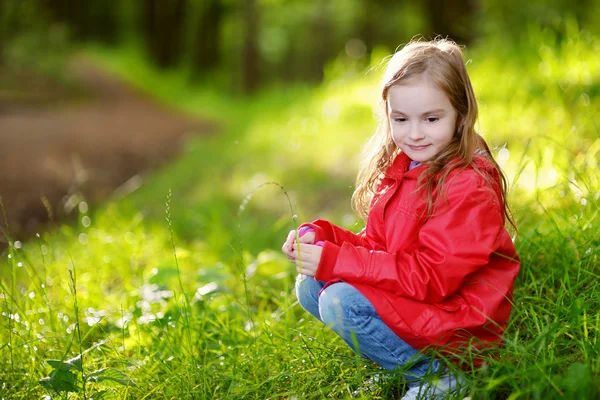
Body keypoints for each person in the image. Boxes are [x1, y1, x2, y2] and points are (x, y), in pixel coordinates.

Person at [281, 38, 520, 399]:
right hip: (423, 299)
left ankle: (441, 377)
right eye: (401, 119)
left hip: (461, 317)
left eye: (431, 118)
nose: (415, 133)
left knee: (338, 300)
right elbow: (380, 249)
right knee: (310, 285)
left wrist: (338, 261)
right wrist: (323, 237)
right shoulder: (405, 167)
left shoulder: (467, 185)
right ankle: (407, 365)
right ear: (387, 114)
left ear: (461, 114)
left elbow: (431, 277)